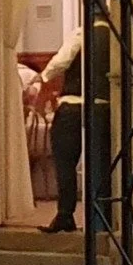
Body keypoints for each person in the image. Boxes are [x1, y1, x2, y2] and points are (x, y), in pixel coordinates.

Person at [33, 21, 110, 234]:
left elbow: (62, 60)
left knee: (65, 162)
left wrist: (43, 76)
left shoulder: (82, 33)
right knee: (102, 163)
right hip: (102, 107)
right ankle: (102, 217)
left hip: (73, 106)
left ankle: (65, 214)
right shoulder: (115, 34)